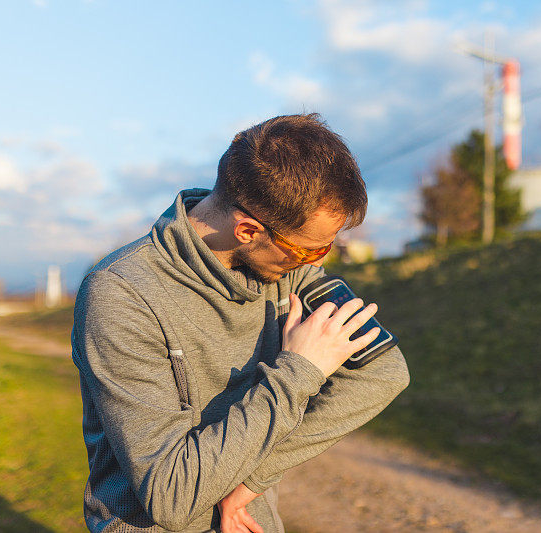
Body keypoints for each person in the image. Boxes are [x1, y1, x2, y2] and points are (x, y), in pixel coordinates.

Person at [71, 113, 410, 533]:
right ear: (248, 230)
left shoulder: (291, 270)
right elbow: (170, 496)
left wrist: (251, 480)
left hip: (250, 522)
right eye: (309, 251)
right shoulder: (122, 294)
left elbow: (383, 371)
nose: (320, 262)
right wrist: (299, 373)